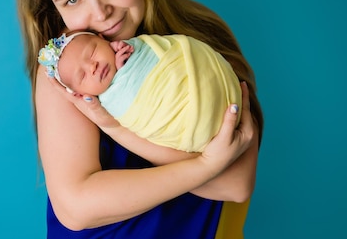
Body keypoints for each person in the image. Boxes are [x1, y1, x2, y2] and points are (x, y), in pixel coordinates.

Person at [15, 0, 263, 239]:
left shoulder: (204, 40)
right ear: (54, 11)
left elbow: (235, 183)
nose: (100, 12)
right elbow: (77, 206)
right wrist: (205, 164)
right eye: (72, 0)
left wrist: (115, 128)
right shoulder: (68, 72)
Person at [37, 30, 242, 152]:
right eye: (82, 76)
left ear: (103, 39)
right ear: (81, 94)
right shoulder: (105, 104)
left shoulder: (129, 49)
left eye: (92, 52)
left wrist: (129, 59)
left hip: (211, 85)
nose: (92, 67)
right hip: (188, 128)